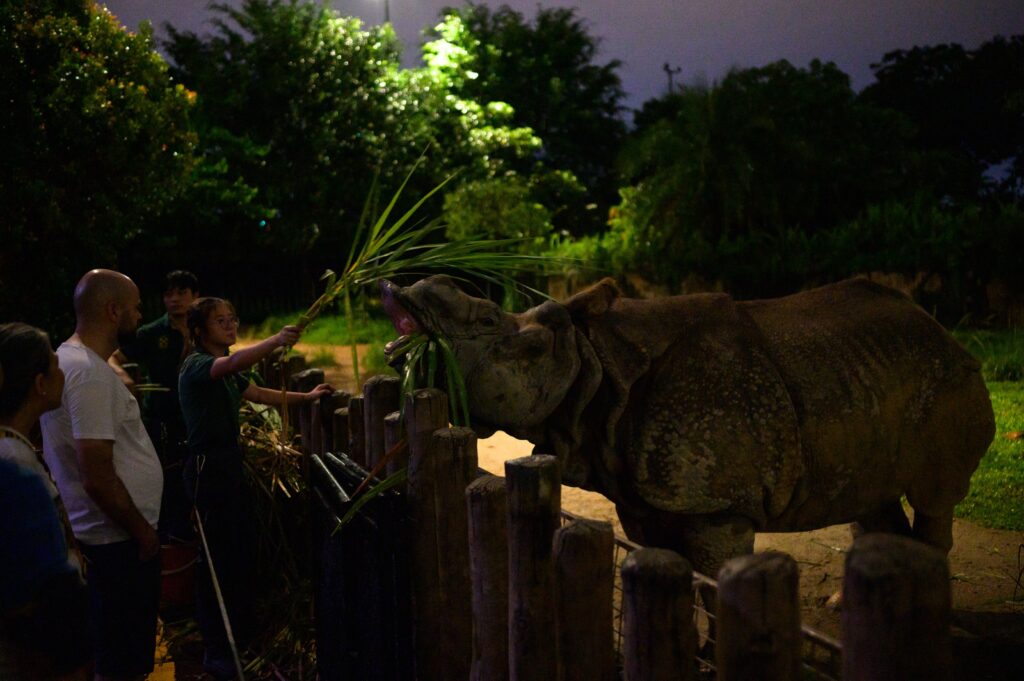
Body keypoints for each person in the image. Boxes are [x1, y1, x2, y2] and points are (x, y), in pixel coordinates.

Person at [178, 297, 331, 680]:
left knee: (237, 554)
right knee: (215, 563)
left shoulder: (228, 372)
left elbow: (259, 395)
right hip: (206, 468)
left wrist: (308, 398)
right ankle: (218, 649)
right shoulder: (198, 366)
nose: (230, 327)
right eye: (220, 322)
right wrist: (276, 340)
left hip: (229, 465)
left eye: (233, 319)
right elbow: (230, 363)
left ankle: (239, 639)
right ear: (199, 331)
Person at [40, 269, 164, 681]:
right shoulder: (89, 373)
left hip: (114, 538)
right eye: (136, 308)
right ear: (113, 311)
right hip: (118, 542)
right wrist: (141, 531)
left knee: (119, 653)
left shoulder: (78, 362)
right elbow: (96, 472)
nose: (140, 317)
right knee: (123, 659)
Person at [0, 323, 91, 680]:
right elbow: (36, 603)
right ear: (40, 384)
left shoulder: (13, 450)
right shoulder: (13, 469)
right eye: (55, 364)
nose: (62, 372)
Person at [110, 269, 199, 542]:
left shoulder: (204, 328)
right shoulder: (151, 332)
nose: (174, 300)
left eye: (181, 293)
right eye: (168, 294)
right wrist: (123, 376)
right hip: (162, 421)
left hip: (197, 420)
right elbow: (114, 357)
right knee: (169, 483)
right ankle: (170, 539)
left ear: (196, 296)